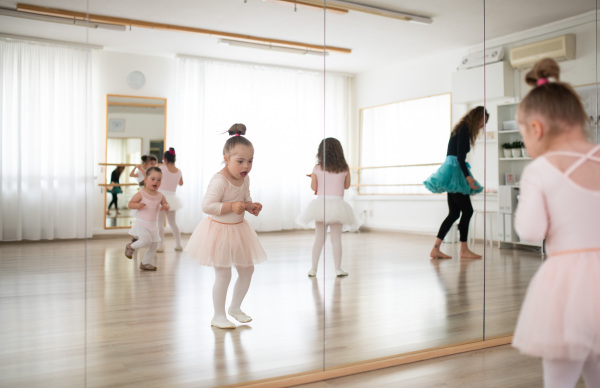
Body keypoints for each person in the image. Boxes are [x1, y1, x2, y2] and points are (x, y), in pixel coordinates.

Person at [511, 58, 600, 388]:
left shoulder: (540, 169)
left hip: (568, 284)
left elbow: (531, 231)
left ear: (536, 128)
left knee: (560, 381)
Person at [184, 123, 267, 329]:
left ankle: (235, 307)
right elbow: (207, 206)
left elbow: (245, 198)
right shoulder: (219, 180)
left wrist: (251, 206)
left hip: (239, 231)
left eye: (250, 161)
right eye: (240, 161)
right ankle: (218, 316)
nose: (246, 166)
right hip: (219, 231)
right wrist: (231, 205)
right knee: (224, 273)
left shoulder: (245, 179)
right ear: (226, 158)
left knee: (247, 269)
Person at [424, 106, 488, 259]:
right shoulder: (464, 129)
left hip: (452, 170)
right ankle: (464, 250)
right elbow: (459, 157)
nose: (482, 125)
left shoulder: (460, 129)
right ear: (476, 118)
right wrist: (468, 177)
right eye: (482, 121)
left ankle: (436, 249)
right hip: (455, 172)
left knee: (454, 213)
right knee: (467, 211)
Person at [296, 137, 360, 277]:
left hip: (321, 205)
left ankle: (313, 269)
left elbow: (314, 187)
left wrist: (313, 177)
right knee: (336, 238)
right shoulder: (344, 168)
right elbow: (347, 186)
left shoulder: (317, 168)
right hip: (338, 206)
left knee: (319, 238)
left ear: (321, 152)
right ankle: (338, 268)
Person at [125, 167, 170, 271]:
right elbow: (130, 204)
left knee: (154, 245)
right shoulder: (141, 193)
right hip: (142, 224)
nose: (156, 182)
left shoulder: (160, 195)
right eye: (153, 179)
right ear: (145, 180)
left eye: (159, 180)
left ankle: (145, 263)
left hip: (153, 226)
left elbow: (166, 204)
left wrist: (166, 206)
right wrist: (137, 205)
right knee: (146, 241)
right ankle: (130, 246)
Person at [157, 147, 184, 252]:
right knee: (173, 223)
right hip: (172, 198)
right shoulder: (179, 171)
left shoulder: (161, 168)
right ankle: (178, 245)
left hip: (162, 198)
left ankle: (160, 246)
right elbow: (181, 183)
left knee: (160, 223)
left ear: (165, 159)